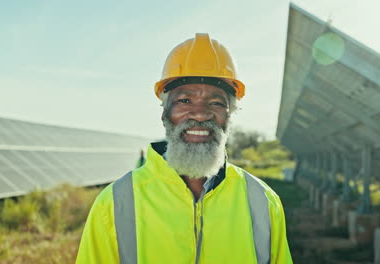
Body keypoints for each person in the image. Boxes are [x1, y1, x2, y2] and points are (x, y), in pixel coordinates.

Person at [76, 33, 293, 264]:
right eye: (184, 101)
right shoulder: (114, 204)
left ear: (229, 116)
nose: (200, 114)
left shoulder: (264, 202)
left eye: (216, 103)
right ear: (164, 113)